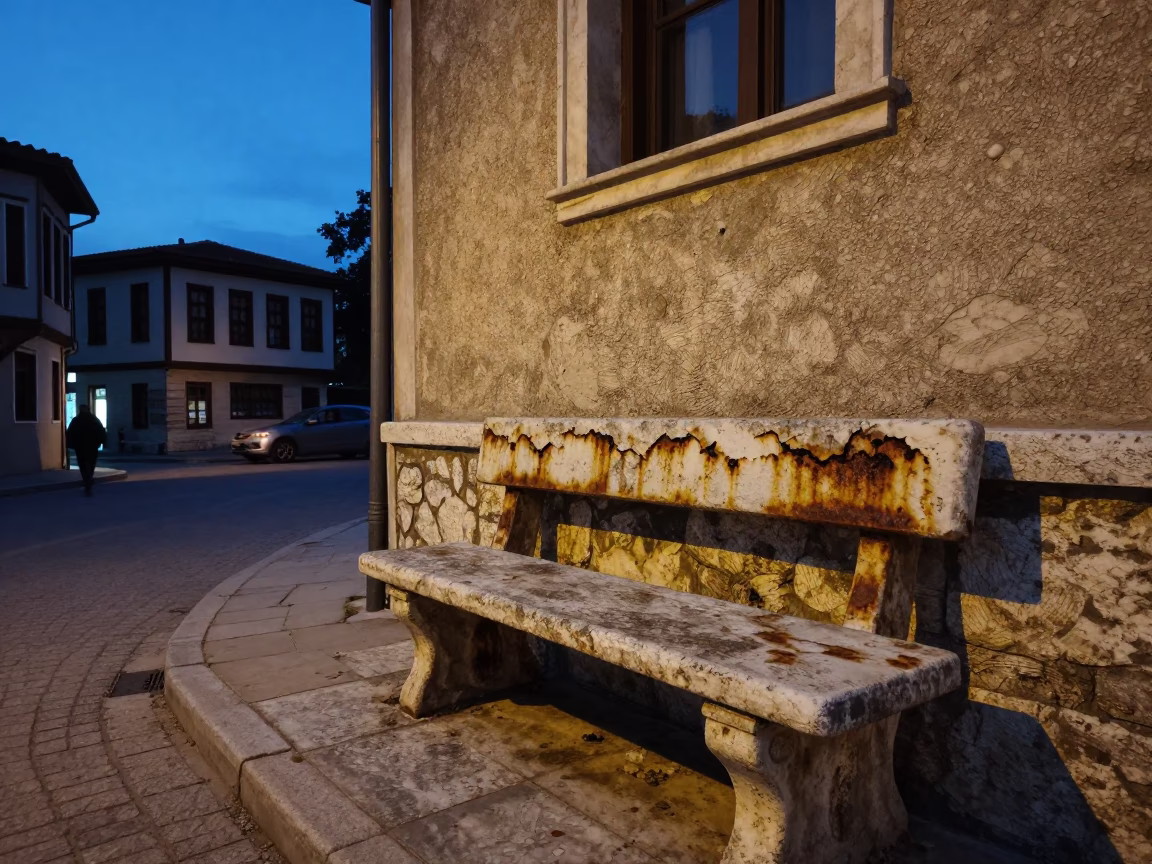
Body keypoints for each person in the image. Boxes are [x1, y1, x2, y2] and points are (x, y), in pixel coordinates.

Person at [67, 404, 107, 496]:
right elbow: (101, 431)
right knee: (90, 463)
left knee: (83, 464)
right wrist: (101, 442)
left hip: (81, 447)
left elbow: (70, 433)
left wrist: (71, 444)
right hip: (91, 446)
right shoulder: (94, 420)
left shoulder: (76, 420)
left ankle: (86, 480)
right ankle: (88, 480)